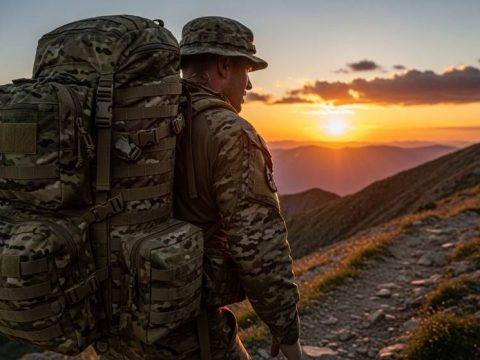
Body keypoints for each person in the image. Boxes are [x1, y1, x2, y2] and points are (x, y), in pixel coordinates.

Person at [174, 16, 302, 360]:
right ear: (224, 65)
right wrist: (286, 330)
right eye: (246, 71)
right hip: (187, 331)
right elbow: (260, 249)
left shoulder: (147, 118)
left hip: (118, 321)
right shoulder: (229, 132)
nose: (248, 86)